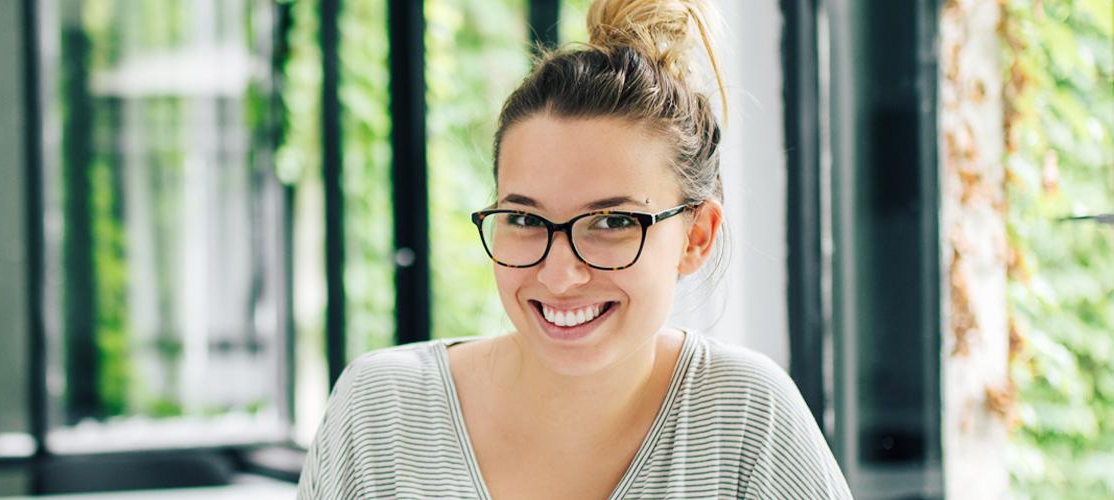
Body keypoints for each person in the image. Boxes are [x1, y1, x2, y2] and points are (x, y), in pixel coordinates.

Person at [297, 0, 852, 498]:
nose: (559, 275)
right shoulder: (379, 415)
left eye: (611, 221)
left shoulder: (747, 419)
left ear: (696, 236)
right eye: (524, 218)